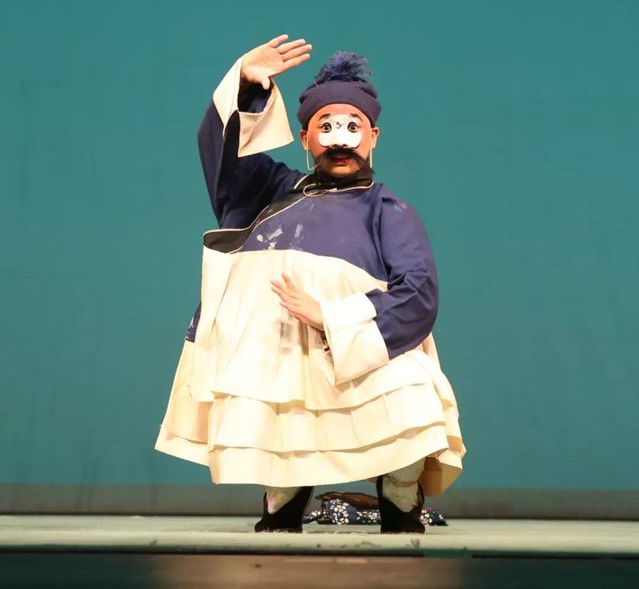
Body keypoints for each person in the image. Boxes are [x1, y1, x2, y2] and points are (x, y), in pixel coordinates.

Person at [155, 34, 466, 533]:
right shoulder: (269, 192)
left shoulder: (387, 209)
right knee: (283, 442)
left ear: (373, 136)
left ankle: (400, 494)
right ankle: (284, 501)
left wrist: (333, 317)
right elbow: (226, 159)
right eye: (326, 127)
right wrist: (247, 87)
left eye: (352, 126)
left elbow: (418, 293)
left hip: (358, 352)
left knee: (412, 404)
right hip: (275, 351)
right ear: (305, 138)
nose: (340, 139)